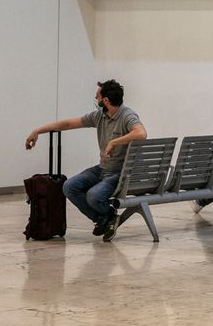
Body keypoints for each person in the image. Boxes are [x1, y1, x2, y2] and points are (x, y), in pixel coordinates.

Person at [24, 79, 147, 241]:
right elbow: (68, 124)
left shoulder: (127, 115)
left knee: (93, 196)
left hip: (119, 173)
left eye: (97, 96)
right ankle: (107, 218)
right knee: (69, 186)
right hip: (102, 169)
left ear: (106, 101)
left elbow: (141, 133)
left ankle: (107, 217)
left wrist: (114, 142)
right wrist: (37, 131)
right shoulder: (99, 116)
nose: (95, 99)